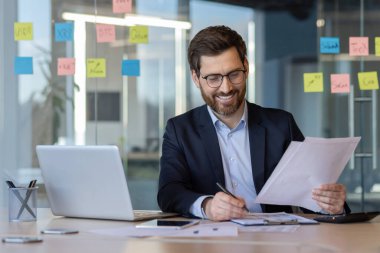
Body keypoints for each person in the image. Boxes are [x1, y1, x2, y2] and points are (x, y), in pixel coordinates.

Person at [157, 25, 348, 221]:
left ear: (246, 67)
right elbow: (169, 192)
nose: (226, 88)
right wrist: (208, 206)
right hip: (210, 243)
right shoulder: (180, 130)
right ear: (196, 78)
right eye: (213, 78)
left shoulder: (281, 125)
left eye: (234, 74)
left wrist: (331, 205)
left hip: (276, 241)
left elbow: (313, 193)